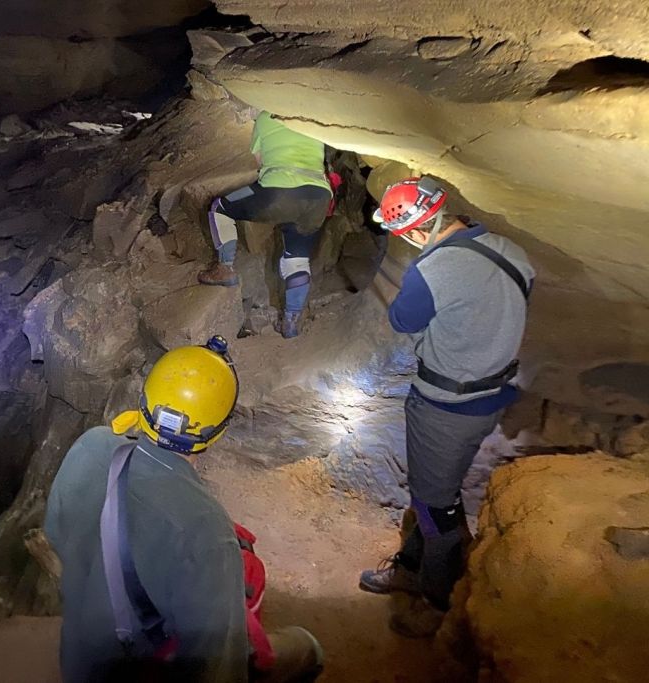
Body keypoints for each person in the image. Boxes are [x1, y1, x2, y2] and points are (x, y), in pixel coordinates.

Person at [45, 337, 324, 682]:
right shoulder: (206, 532)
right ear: (216, 432)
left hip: (78, 659)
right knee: (306, 648)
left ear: (146, 402)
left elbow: (56, 535)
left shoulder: (92, 445)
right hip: (136, 671)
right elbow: (216, 667)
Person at [359, 177, 535, 636]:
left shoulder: (432, 269)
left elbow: (403, 319)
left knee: (436, 508)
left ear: (418, 231)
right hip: (491, 395)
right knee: (437, 487)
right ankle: (410, 566)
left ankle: (438, 603)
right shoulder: (511, 250)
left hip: (446, 405)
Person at [198, 111, 340, 339]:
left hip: (279, 190)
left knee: (219, 208)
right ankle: (290, 322)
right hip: (318, 198)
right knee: (296, 259)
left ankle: (224, 268)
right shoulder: (314, 117)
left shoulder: (265, 117)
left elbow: (259, 160)